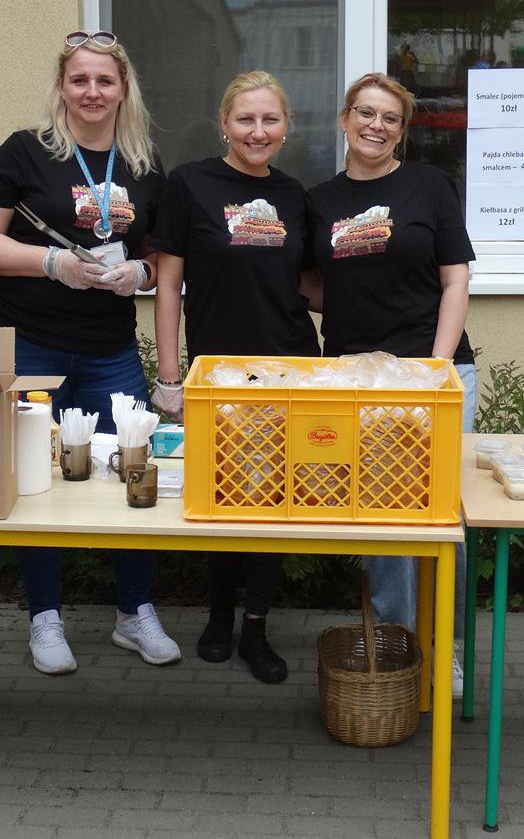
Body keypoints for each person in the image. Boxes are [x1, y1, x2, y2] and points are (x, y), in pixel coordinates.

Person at [0, 30, 178, 676]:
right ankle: (45, 617)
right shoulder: (25, 151)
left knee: (132, 468)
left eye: (104, 80)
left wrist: (140, 274)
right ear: (62, 86)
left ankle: (134, 611)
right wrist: (51, 262)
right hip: (25, 339)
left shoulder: (144, 164)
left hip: (108, 348)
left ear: (123, 88)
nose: (92, 92)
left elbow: (161, 256)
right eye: (80, 79)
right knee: (36, 478)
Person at [305, 72, 476, 698]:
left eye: (390, 118)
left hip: (436, 371)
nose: (375, 126)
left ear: (402, 131)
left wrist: (432, 370)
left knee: (443, 515)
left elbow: (455, 281)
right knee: (383, 515)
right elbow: (305, 282)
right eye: (365, 113)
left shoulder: (429, 186)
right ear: (344, 119)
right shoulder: (318, 200)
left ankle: (446, 643)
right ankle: (401, 645)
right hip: (356, 375)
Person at [151, 71, 319, 684]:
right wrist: (170, 374)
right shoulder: (190, 184)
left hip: (289, 366)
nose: (257, 131)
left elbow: (309, 284)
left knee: (274, 501)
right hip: (217, 371)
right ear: (224, 124)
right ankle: (218, 617)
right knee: (222, 495)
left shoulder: (295, 195)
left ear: (286, 127)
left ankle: (257, 627)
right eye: (245, 119)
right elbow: (169, 283)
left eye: (270, 119)